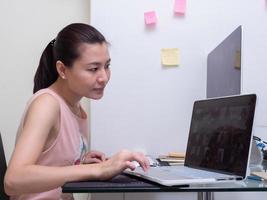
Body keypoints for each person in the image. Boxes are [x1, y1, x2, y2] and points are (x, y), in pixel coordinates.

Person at [4, 23, 150, 200]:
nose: (104, 77)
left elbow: (52, 163)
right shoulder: (46, 104)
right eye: (93, 69)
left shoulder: (76, 108)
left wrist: (80, 161)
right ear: (62, 70)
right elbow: (13, 180)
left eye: (107, 66)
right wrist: (96, 170)